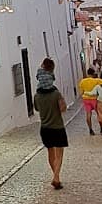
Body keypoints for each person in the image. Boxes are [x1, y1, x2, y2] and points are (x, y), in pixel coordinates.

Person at [34, 57, 68, 188]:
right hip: (57, 127)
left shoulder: (37, 95)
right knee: (59, 153)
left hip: (45, 128)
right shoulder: (56, 94)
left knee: (50, 153)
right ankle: (56, 177)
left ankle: (55, 176)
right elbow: (63, 108)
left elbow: (37, 109)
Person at [78, 68, 102, 135]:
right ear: (93, 73)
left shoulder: (82, 81)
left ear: (87, 73)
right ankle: (101, 128)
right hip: (95, 99)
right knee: (99, 114)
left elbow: (81, 92)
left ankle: (90, 130)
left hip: (86, 99)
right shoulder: (96, 81)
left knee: (88, 114)